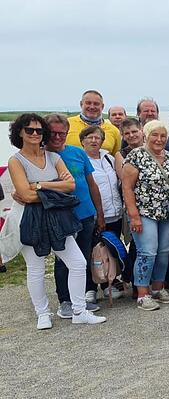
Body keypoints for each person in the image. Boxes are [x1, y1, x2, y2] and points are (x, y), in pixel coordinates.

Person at [8, 114, 107, 328]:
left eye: (39, 130)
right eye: (29, 130)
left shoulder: (53, 158)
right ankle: (43, 314)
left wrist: (40, 185)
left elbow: (70, 186)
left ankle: (79, 310)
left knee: (78, 263)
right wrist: (53, 187)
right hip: (28, 218)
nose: (35, 134)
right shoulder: (16, 160)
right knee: (35, 267)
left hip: (56, 217)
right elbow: (25, 195)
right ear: (20, 133)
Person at [45, 113, 105, 311]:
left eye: (61, 133)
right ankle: (65, 301)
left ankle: (80, 298)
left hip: (86, 214)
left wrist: (100, 212)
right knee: (63, 260)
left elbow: (91, 184)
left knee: (83, 257)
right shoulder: (41, 156)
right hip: (60, 217)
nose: (57, 137)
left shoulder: (78, 153)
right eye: (53, 132)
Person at [122, 120, 169, 311]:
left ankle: (158, 288)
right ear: (146, 135)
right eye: (155, 134)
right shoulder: (136, 156)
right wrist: (133, 215)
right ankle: (142, 293)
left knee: (163, 253)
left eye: (163, 136)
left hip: (166, 213)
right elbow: (127, 188)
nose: (159, 139)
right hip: (143, 212)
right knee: (147, 252)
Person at [82, 125, 125, 299]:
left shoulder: (108, 157)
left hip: (114, 213)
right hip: (93, 214)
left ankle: (109, 281)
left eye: (97, 137)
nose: (94, 140)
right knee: (92, 251)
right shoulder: (81, 159)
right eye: (90, 137)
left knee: (110, 251)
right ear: (82, 141)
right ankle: (89, 287)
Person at [66, 90, 121, 156]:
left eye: (96, 104)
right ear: (81, 104)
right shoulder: (67, 124)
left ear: (102, 106)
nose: (92, 107)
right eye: (88, 103)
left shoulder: (114, 131)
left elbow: (117, 158)